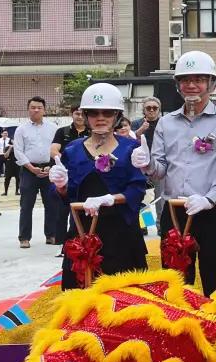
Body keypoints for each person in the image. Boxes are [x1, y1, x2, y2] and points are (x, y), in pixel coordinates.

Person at [134, 50, 216, 300]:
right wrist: (146, 164)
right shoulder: (166, 122)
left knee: (215, 277)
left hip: (212, 209)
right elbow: (159, 171)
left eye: (199, 79)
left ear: (211, 84)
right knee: (176, 280)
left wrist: (210, 198)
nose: (192, 85)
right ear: (178, 85)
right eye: (185, 80)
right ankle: (178, 332)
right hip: (175, 211)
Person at [48, 84, 148, 289]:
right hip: (82, 232)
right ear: (85, 116)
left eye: (107, 112)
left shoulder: (131, 148)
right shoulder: (73, 149)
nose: (100, 117)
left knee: (125, 298)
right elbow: (65, 196)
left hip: (121, 232)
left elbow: (137, 190)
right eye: (93, 112)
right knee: (79, 296)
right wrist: (60, 186)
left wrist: (110, 199)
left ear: (117, 116)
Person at [14, 97, 60, 249]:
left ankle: (51, 234)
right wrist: (30, 167)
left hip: (49, 169)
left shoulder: (53, 128)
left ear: (44, 110)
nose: (36, 110)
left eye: (39, 107)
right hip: (29, 170)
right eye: (33, 107)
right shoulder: (21, 129)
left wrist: (50, 166)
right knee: (26, 205)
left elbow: (57, 149)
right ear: (28, 109)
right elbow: (18, 151)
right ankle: (24, 237)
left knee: (52, 204)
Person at [50, 107, 91, 247]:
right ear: (71, 114)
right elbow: (54, 150)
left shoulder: (91, 132)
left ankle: (77, 240)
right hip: (65, 173)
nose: (79, 117)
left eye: (82, 114)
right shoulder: (63, 131)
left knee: (79, 212)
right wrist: (67, 161)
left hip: (84, 174)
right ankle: (60, 242)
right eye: (76, 113)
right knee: (61, 210)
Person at [0, 129, 15, 195]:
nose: (5, 134)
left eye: (6, 133)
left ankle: (6, 175)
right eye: (4, 133)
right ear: (1, 134)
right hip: (1, 154)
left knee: (7, 167)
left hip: (9, 156)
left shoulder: (9, 140)